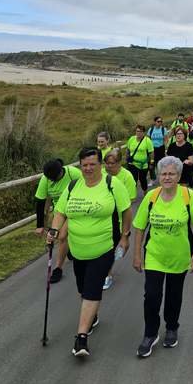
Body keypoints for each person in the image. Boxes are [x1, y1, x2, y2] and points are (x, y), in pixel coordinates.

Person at [47, 147, 132, 357]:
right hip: (77, 249)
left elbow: (126, 212)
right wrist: (54, 230)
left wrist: (124, 236)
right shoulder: (73, 186)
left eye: (92, 164)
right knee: (82, 288)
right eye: (84, 165)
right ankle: (92, 316)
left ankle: (81, 338)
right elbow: (60, 212)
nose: (88, 168)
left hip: (103, 247)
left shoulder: (112, 184)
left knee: (92, 287)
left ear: (100, 165)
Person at [133, 156, 193, 357]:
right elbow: (139, 228)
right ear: (158, 175)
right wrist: (137, 255)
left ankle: (172, 327)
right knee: (152, 296)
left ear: (179, 176)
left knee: (174, 295)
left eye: (171, 174)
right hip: (154, 256)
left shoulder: (187, 196)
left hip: (179, 256)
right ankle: (150, 333)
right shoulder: (151, 197)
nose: (167, 177)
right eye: (163, 174)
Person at [34, 158, 82, 283]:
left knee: (61, 237)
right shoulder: (46, 178)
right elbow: (40, 201)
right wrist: (39, 225)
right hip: (59, 212)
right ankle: (70, 249)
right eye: (51, 179)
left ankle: (58, 268)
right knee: (59, 236)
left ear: (61, 171)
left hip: (75, 209)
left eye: (55, 178)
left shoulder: (74, 173)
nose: (52, 181)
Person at [102, 148, 137, 290]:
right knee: (105, 248)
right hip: (103, 218)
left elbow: (130, 201)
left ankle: (107, 275)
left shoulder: (127, 176)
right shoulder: (102, 174)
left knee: (111, 248)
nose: (109, 166)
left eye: (112, 163)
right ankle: (106, 272)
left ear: (119, 162)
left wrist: (126, 234)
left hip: (119, 219)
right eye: (106, 163)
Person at [126, 125, 155, 194]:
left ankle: (145, 191)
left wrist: (151, 163)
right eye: (137, 131)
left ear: (143, 132)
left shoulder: (147, 141)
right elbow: (128, 149)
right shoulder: (132, 139)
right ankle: (132, 194)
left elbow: (151, 153)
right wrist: (127, 157)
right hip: (132, 164)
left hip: (143, 164)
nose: (138, 133)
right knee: (133, 180)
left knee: (143, 180)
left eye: (140, 131)